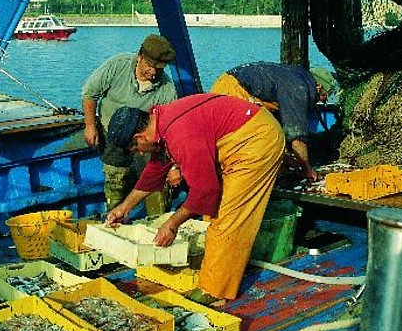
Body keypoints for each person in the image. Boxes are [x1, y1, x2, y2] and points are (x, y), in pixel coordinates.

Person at [104, 94, 286, 305]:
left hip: (257, 141)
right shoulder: (161, 123)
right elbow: (155, 170)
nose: (138, 154)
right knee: (214, 215)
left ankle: (214, 291)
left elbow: (206, 192)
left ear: (139, 138)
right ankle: (220, 266)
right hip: (242, 133)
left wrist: (172, 224)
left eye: (135, 150)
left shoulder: (181, 135)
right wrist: (124, 208)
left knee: (228, 219)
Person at [81, 34, 178, 215]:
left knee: (155, 184)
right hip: (113, 135)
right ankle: (115, 218)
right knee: (115, 179)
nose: (154, 72)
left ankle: (157, 221)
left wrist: (172, 167)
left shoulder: (166, 89)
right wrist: (90, 125)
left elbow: (169, 131)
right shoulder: (118, 65)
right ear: (139, 56)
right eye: (150, 66)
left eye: (159, 68)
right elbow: (89, 93)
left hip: (145, 141)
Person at [211, 62, 337, 181]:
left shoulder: (297, 76)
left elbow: (280, 126)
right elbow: (297, 137)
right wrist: (307, 169)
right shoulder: (299, 89)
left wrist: (286, 158)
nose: (321, 101)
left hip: (228, 82)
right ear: (319, 86)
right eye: (324, 96)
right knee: (247, 146)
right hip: (233, 91)